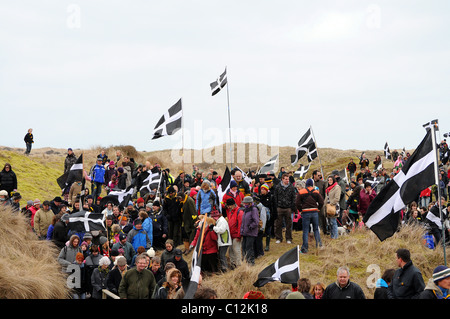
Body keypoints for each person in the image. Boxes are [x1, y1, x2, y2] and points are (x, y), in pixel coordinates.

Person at [296, 178, 324, 254]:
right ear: (312, 184)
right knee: (316, 229)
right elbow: (321, 202)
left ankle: (304, 249)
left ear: (306, 184)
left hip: (305, 212)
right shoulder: (316, 192)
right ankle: (319, 245)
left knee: (305, 230)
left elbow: (297, 203)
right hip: (314, 212)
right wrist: (318, 209)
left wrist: (301, 210)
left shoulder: (301, 192)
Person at [273, 173, 297, 244]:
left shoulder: (291, 187)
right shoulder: (277, 187)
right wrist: (276, 206)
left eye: (288, 179)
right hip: (279, 208)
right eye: (286, 179)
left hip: (288, 208)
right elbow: (275, 197)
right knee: (278, 224)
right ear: (282, 179)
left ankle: (289, 238)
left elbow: (293, 198)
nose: (287, 180)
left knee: (289, 224)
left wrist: (293, 207)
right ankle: (279, 238)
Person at [239, 196, 260, 265]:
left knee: (249, 248)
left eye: (246, 203)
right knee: (244, 248)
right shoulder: (246, 210)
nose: (245, 204)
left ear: (250, 203)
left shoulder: (254, 209)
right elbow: (244, 221)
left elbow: (256, 221)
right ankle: (245, 262)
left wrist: (250, 227)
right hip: (245, 232)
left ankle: (251, 263)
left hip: (251, 233)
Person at [226, 198, 243, 269]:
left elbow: (240, 224)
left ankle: (239, 264)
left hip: (236, 235)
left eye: (229, 206)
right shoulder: (231, 211)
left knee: (236, 250)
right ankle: (233, 264)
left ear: (233, 205)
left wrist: (239, 235)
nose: (228, 207)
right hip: (231, 234)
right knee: (231, 250)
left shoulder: (239, 212)